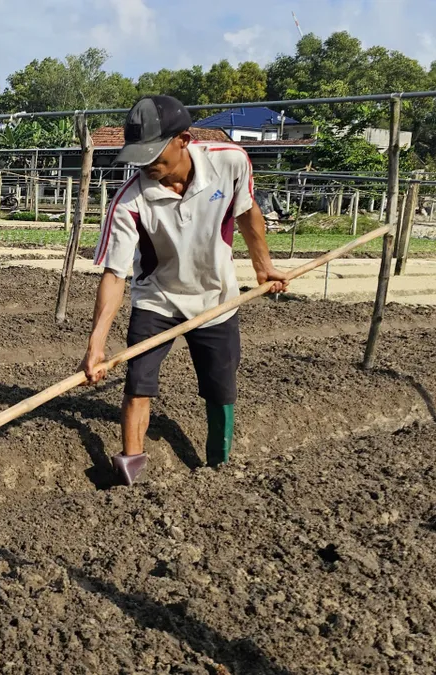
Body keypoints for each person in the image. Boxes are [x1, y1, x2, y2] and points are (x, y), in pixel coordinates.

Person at [80, 95, 289, 485]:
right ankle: (130, 470)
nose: (147, 168)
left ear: (184, 140)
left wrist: (263, 268)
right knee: (138, 383)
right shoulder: (130, 201)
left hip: (217, 298)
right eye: (140, 159)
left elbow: (247, 213)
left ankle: (218, 466)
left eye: (154, 157)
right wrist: (96, 344)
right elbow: (114, 274)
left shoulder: (230, 162)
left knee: (220, 387)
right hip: (157, 298)